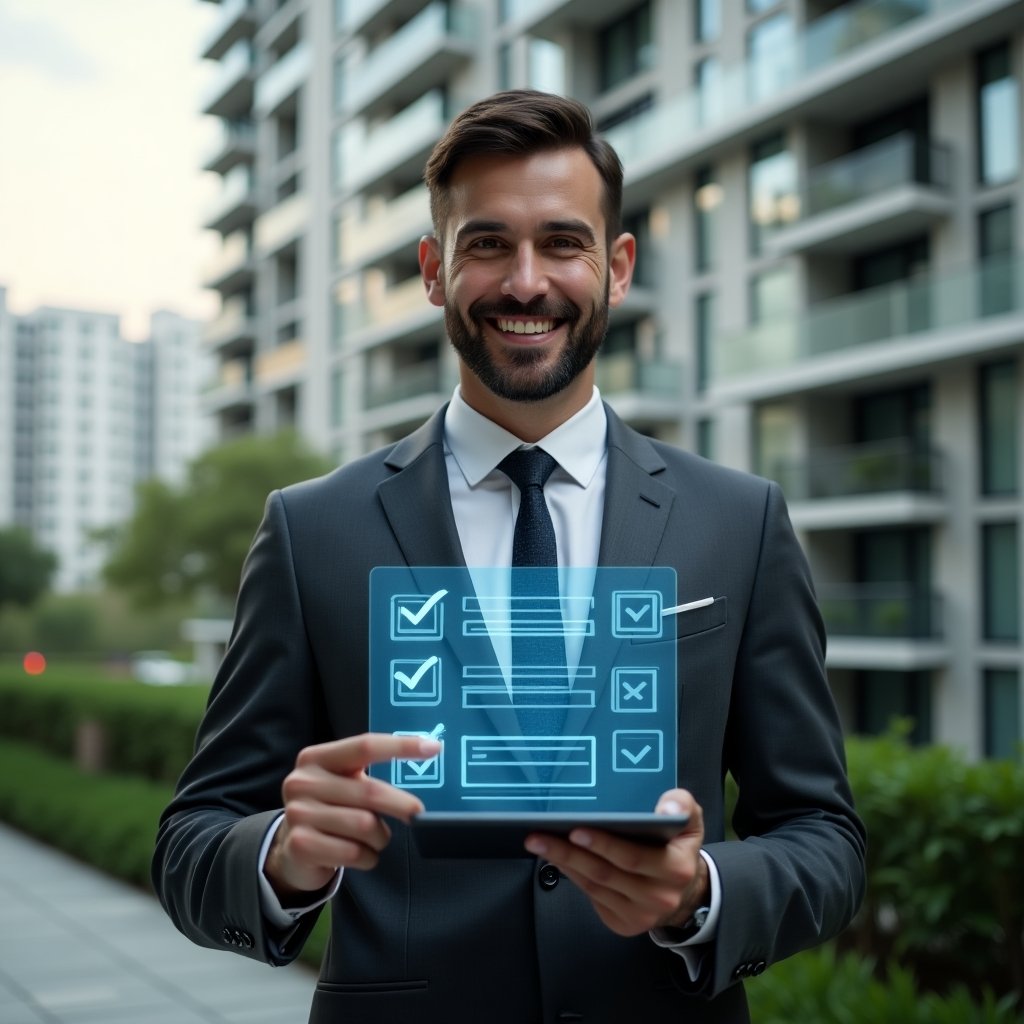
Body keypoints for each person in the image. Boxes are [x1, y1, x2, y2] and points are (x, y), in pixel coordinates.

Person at [153, 90, 865, 1023]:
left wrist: (703, 893)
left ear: (615, 268)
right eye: (487, 244)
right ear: (434, 271)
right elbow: (190, 844)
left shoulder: (741, 522)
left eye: (562, 243)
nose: (525, 282)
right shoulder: (311, 530)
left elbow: (826, 838)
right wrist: (283, 853)